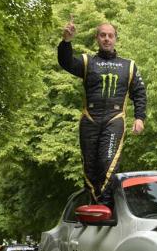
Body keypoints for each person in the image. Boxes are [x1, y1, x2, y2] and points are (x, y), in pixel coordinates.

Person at [58, 17, 147, 209]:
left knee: (108, 163)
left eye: (110, 35)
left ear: (115, 39)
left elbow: (139, 93)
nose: (107, 39)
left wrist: (140, 117)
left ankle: (106, 209)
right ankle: (93, 208)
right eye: (103, 35)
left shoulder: (129, 65)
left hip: (114, 120)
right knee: (90, 167)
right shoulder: (87, 61)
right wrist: (66, 41)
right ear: (97, 38)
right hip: (89, 120)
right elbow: (65, 62)